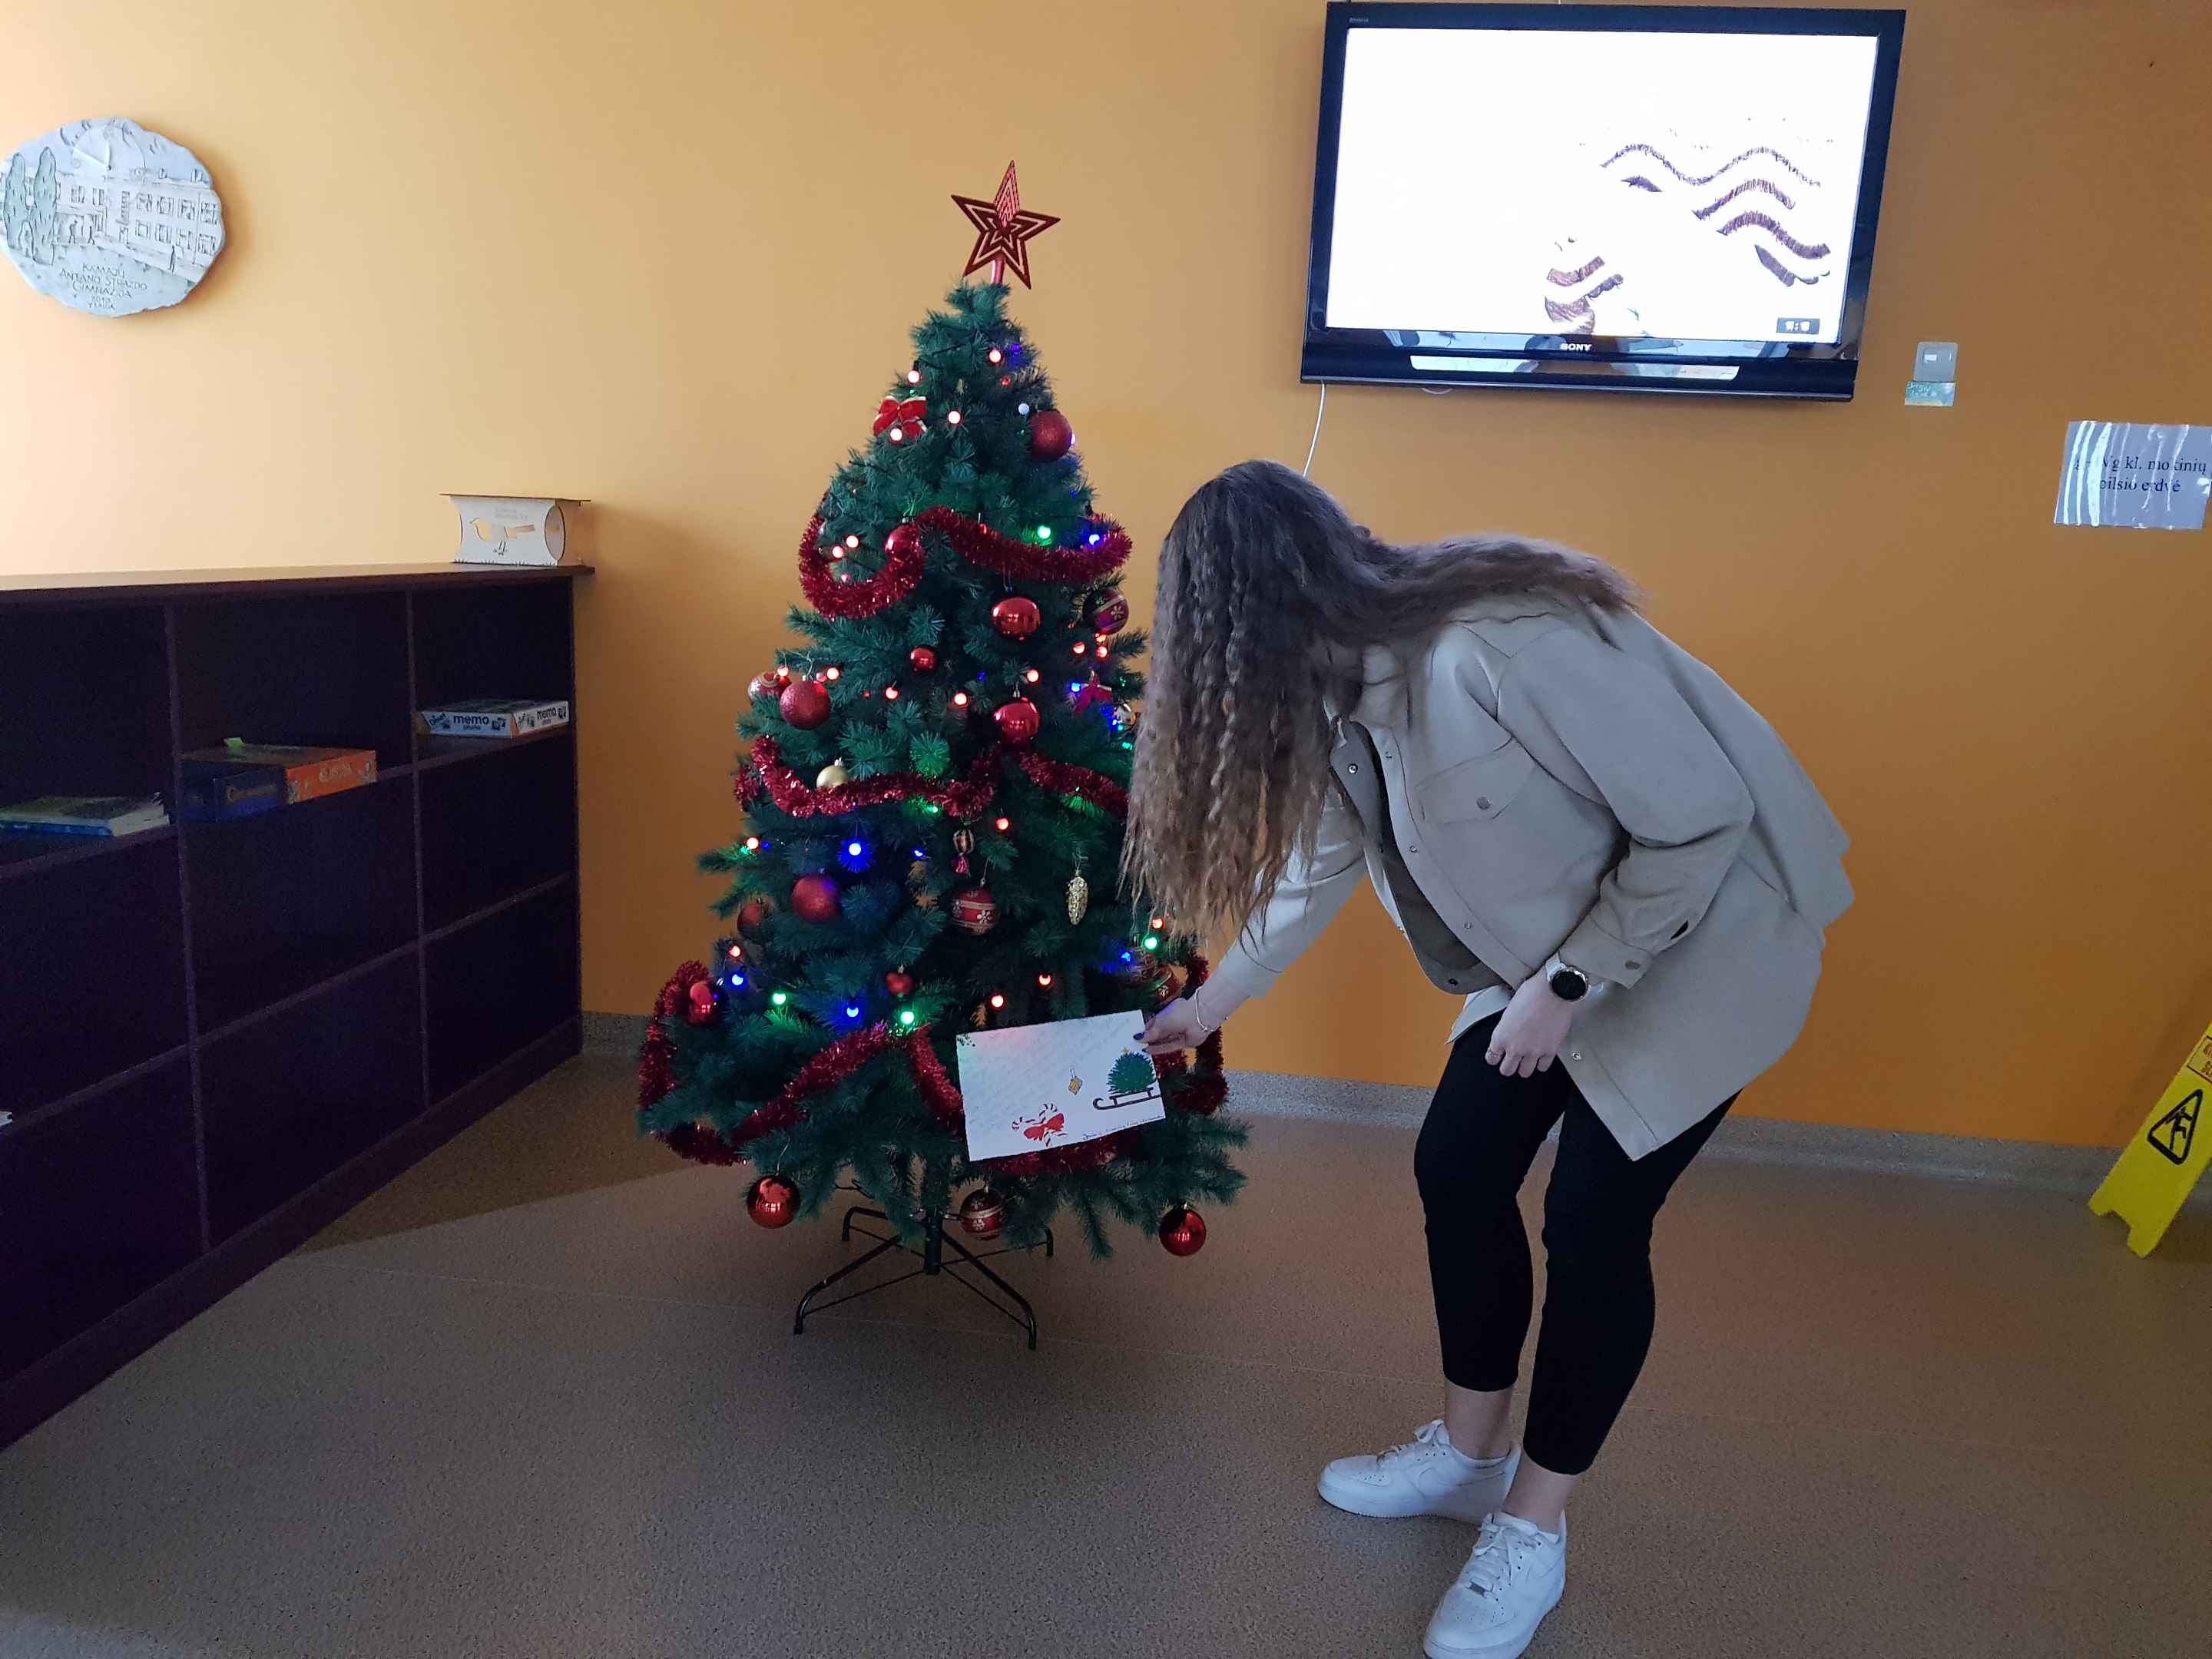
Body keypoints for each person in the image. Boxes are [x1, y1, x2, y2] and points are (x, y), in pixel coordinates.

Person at [1127, 459, 1850, 1659]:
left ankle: (1533, 1525)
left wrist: (1567, 986)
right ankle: (1470, 1461)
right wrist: (1209, 1006)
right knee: (1458, 1167)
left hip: (1702, 944)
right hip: (1551, 959)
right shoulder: (1339, 692)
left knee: (1593, 1223)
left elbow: (1701, 821)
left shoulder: (1496, 648)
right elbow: (1317, 866)